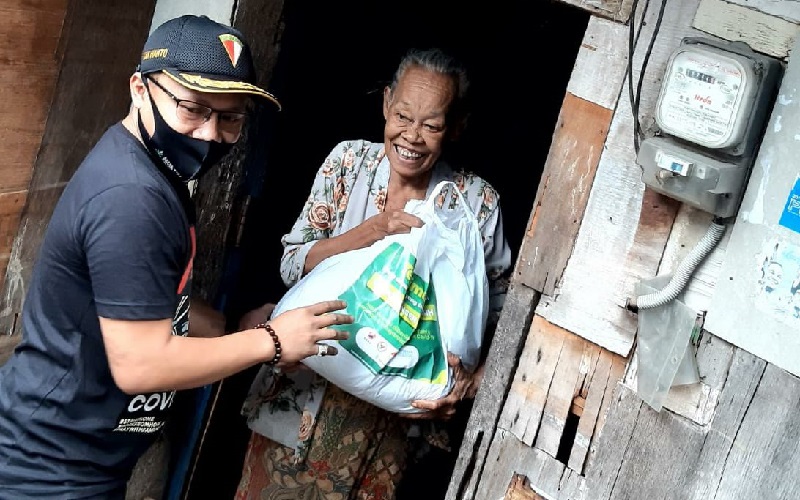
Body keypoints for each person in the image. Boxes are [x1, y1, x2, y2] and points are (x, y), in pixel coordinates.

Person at [0, 15, 353, 499]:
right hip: (48, 471)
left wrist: (235, 328)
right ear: (140, 89)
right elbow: (141, 365)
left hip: (77, 463)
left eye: (230, 118)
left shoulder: (155, 171)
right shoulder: (131, 198)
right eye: (192, 108)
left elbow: (159, 304)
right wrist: (271, 341)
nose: (209, 134)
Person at [235, 47, 512, 500]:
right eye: (403, 116)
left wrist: (469, 385)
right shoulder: (348, 164)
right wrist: (366, 234)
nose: (413, 136)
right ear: (386, 105)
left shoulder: (475, 206)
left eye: (432, 125)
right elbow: (290, 266)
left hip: (393, 428)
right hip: (302, 401)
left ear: (456, 126)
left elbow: (503, 316)